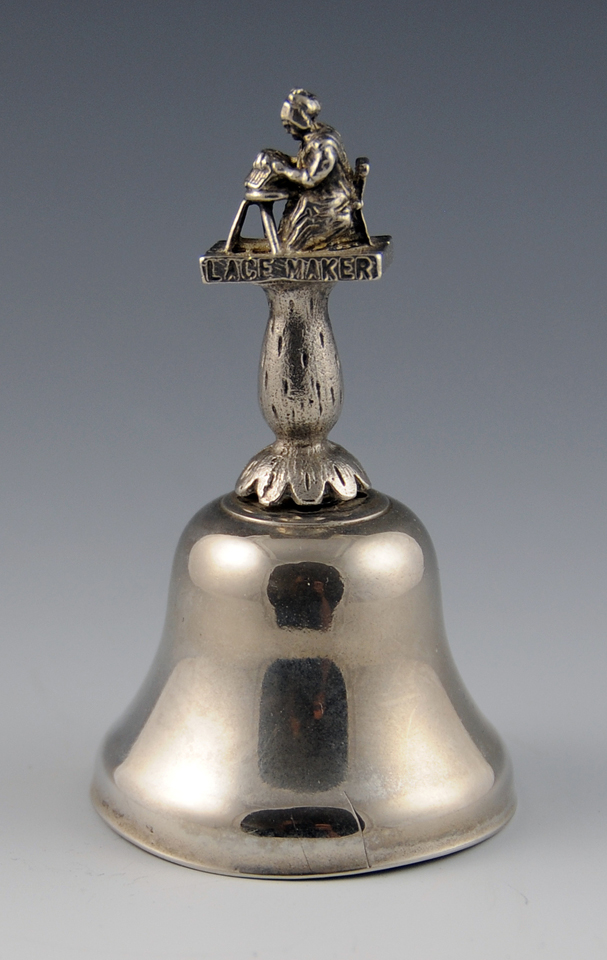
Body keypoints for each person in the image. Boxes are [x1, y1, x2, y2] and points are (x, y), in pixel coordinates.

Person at [261, 89, 369, 252]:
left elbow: (310, 178)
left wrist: (283, 169)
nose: (287, 130)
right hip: (314, 199)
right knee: (289, 223)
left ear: (300, 119)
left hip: (330, 204)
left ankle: (341, 229)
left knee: (291, 246)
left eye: (289, 124)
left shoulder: (324, 144)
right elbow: (306, 163)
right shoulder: (311, 136)